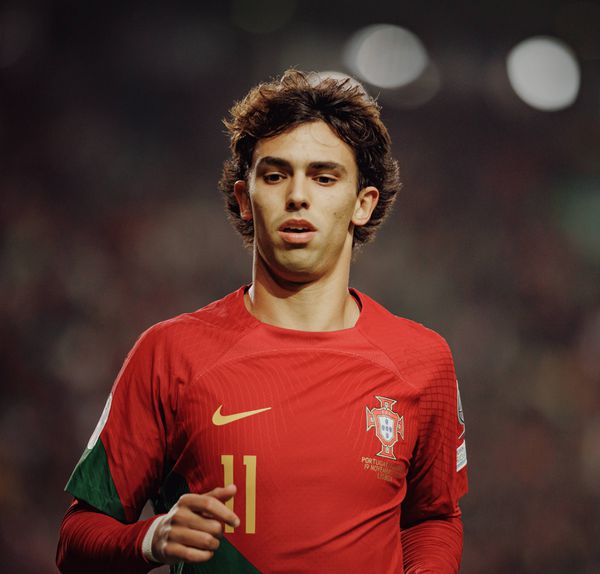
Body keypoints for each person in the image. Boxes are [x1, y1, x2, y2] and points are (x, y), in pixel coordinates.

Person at [56, 69, 468, 573]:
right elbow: (76, 539)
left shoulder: (423, 360)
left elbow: (433, 518)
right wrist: (150, 538)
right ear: (244, 199)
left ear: (363, 204)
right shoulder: (169, 354)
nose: (298, 196)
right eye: (275, 176)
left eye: (324, 177)